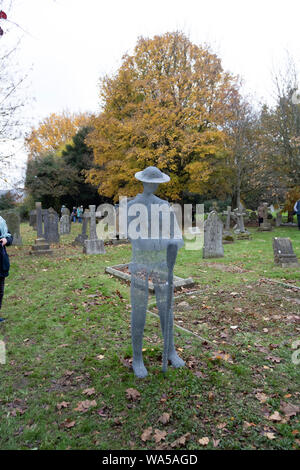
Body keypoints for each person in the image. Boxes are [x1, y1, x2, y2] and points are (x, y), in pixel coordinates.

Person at [127, 166, 185, 378]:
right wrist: (162, 241)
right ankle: (137, 357)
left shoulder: (164, 205)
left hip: (162, 265)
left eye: (156, 183)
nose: (152, 186)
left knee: (166, 309)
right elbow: (137, 238)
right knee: (139, 311)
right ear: (142, 181)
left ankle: (170, 350)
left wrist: (173, 244)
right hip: (140, 264)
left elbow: (177, 236)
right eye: (149, 182)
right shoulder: (132, 206)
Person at [0, 215, 13, 322]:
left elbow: (9, 237)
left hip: (1, 262)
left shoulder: (1, 221)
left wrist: (6, 240)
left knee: (0, 291)